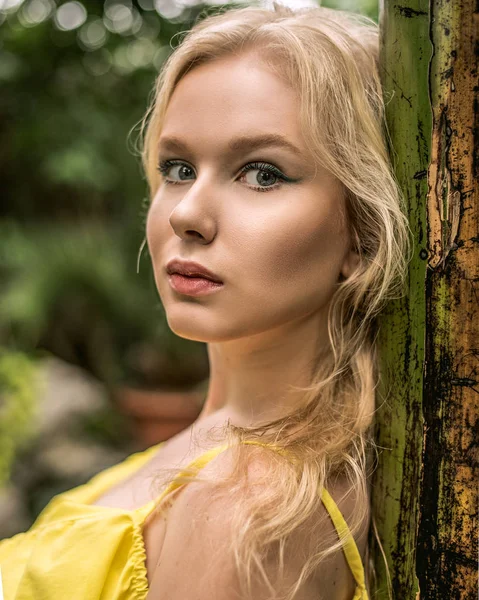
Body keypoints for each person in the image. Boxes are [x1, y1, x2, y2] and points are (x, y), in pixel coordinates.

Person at [0, 3, 409, 599]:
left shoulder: (251, 511)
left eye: (262, 173)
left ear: (363, 230)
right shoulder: (230, 450)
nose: (187, 212)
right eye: (178, 167)